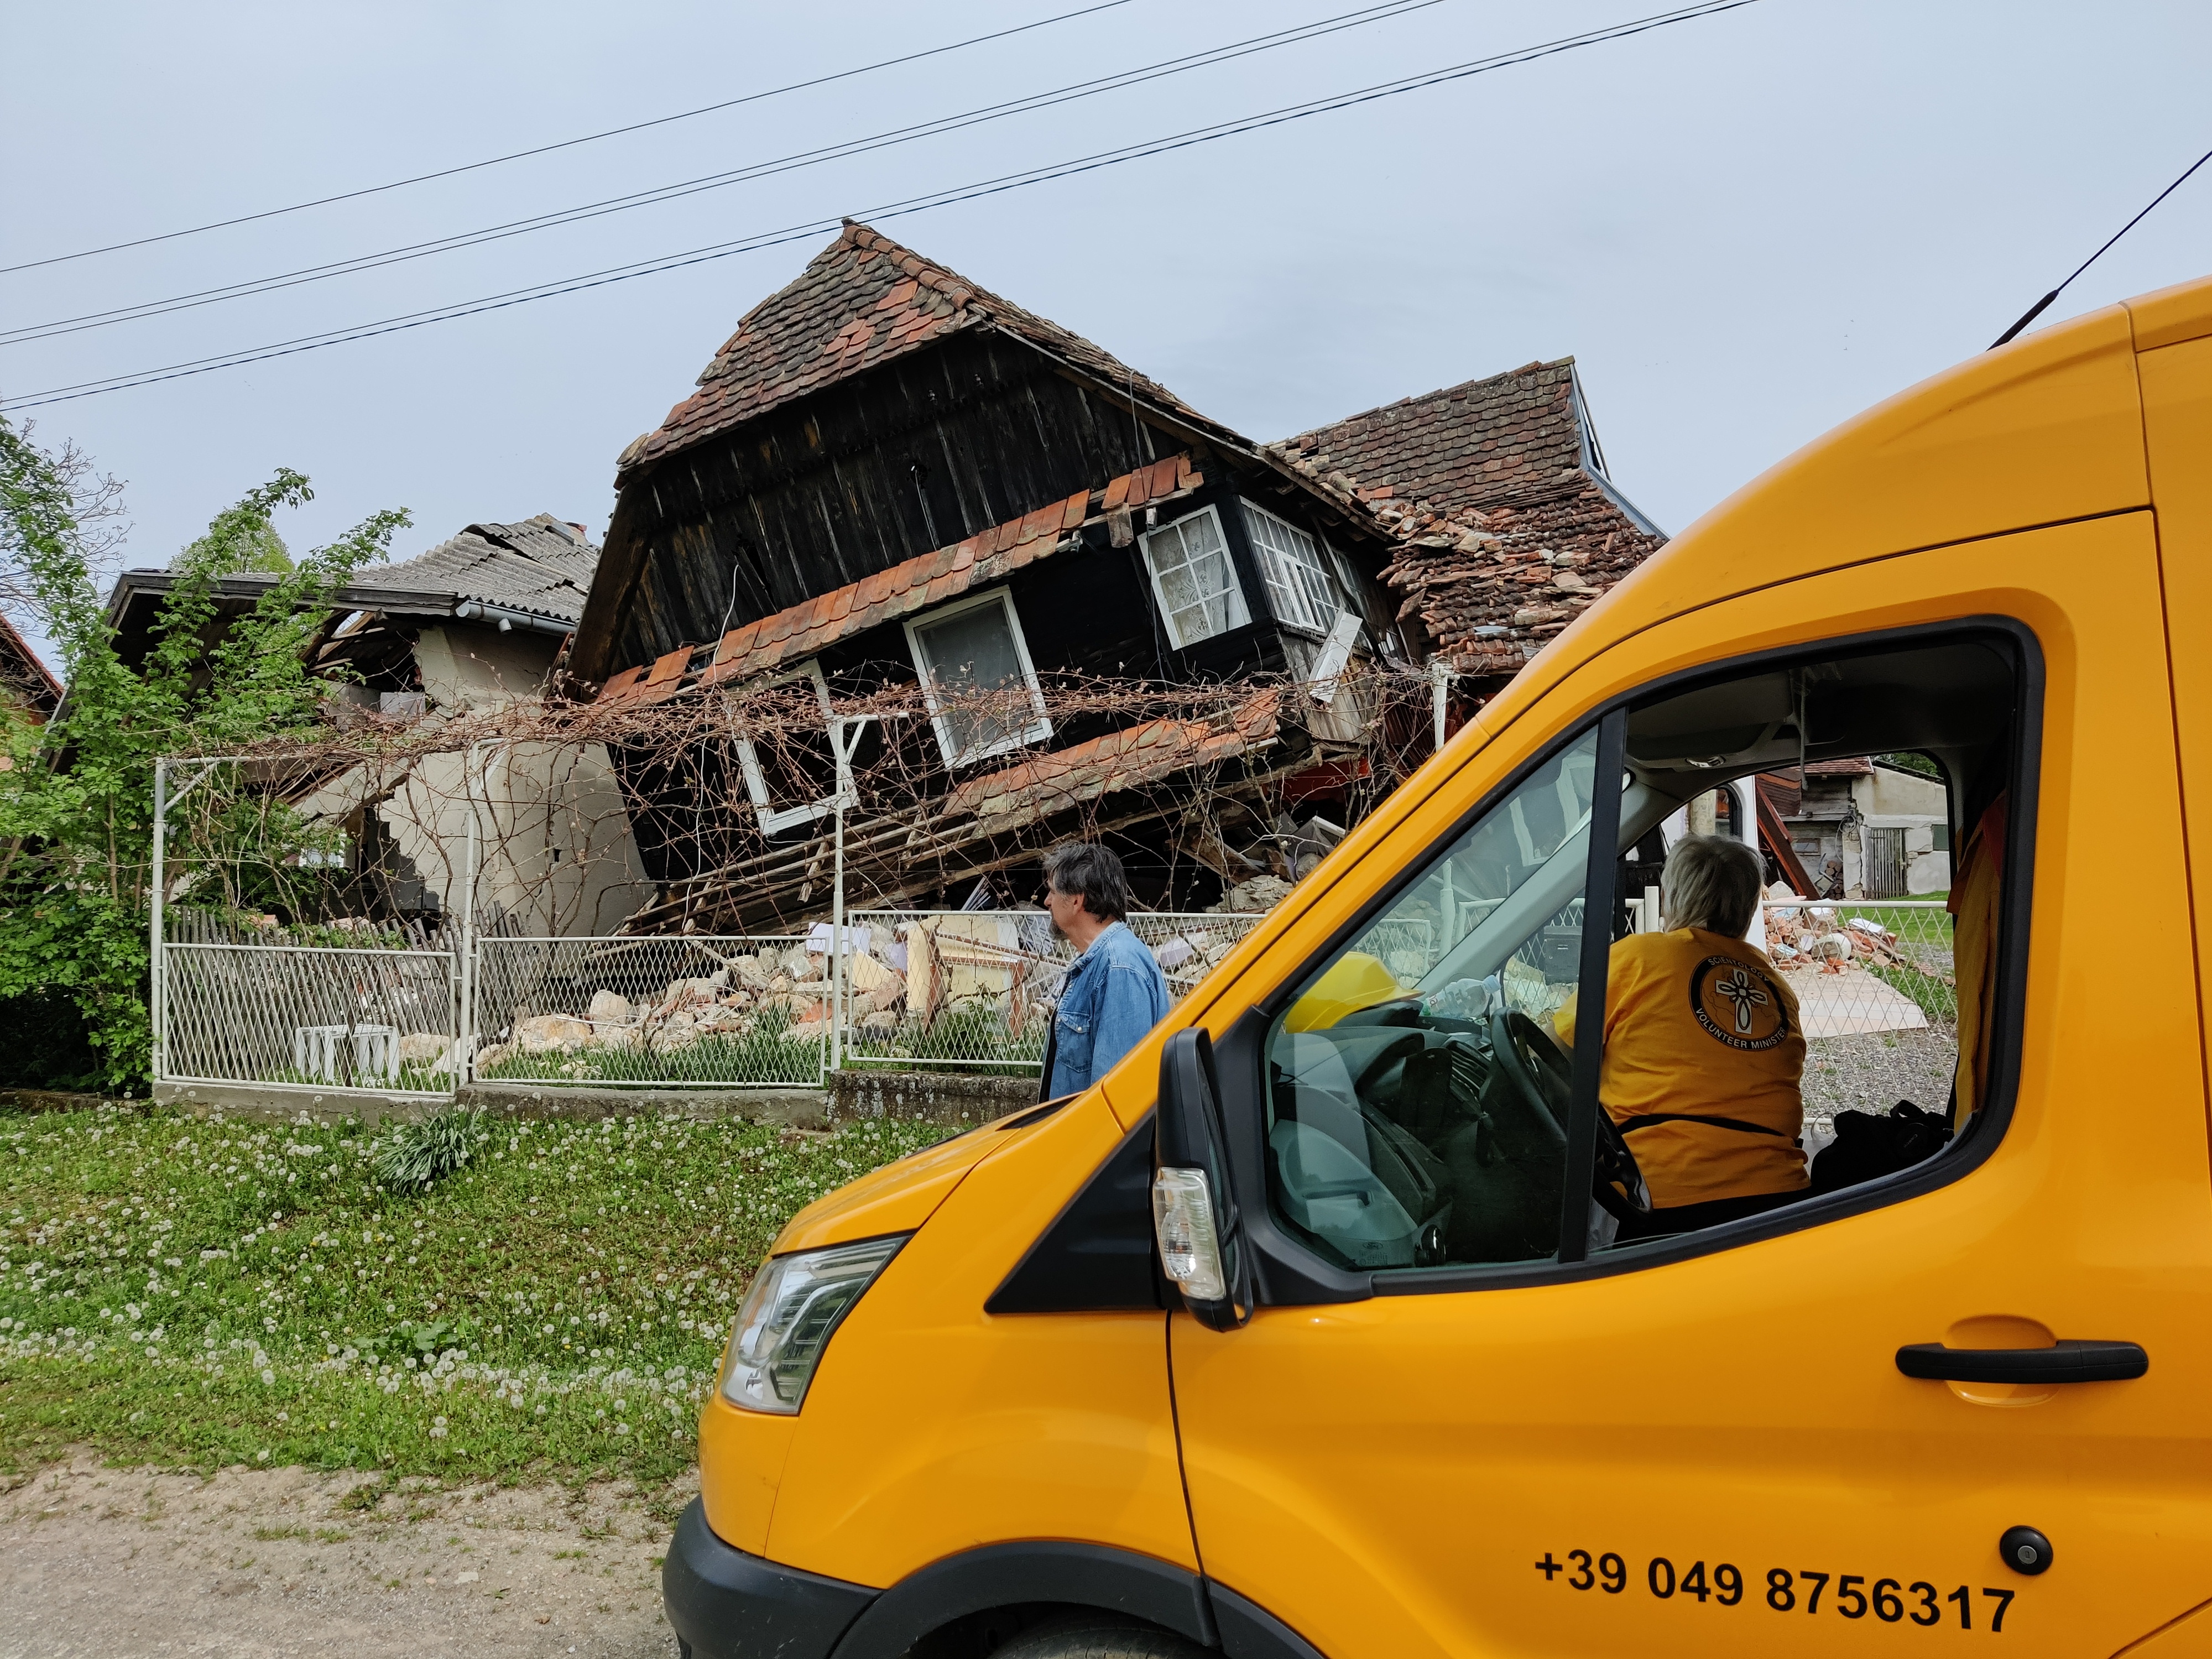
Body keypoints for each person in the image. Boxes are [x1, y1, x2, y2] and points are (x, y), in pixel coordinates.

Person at [1551, 832, 1808, 1238]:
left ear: (1673, 896)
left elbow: (1551, 1058)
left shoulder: (1636, 957)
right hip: (1781, 1202)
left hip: (1659, 1198)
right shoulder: (1776, 986)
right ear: (1749, 905)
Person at [1041, 842, 1171, 1099]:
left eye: (1053, 893)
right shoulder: (1103, 962)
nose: (1047, 902)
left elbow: (1117, 1095)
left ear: (1077, 901)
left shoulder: (1118, 967)